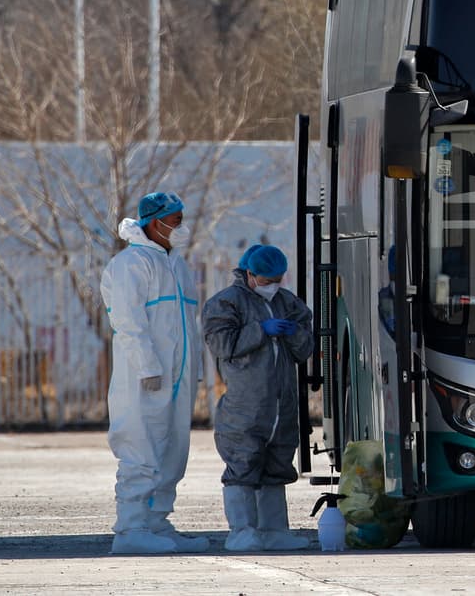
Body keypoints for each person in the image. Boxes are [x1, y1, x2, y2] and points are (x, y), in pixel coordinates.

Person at [100, 191, 208, 554]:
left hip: (176, 378)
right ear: (154, 222)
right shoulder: (130, 264)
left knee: (172, 449)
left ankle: (157, 523)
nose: (181, 226)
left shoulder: (175, 264)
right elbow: (128, 321)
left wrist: (195, 370)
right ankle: (130, 530)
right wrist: (147, 365)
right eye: (175, 219)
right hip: (143, 376)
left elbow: (187, 325)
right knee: (140, 444)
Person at [202, 244, 314, 552]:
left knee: (277, 464)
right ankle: (242, 531)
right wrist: (259, 330)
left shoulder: (287, 302)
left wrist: (294, 333)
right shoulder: (225, 304)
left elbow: (306, 349)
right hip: (245, 406)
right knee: (243, 464)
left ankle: (275, 530)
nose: (272, 285)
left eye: (277, 278)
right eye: (266, 279)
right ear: (249, 274)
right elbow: (223, 344)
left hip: (282, 404)